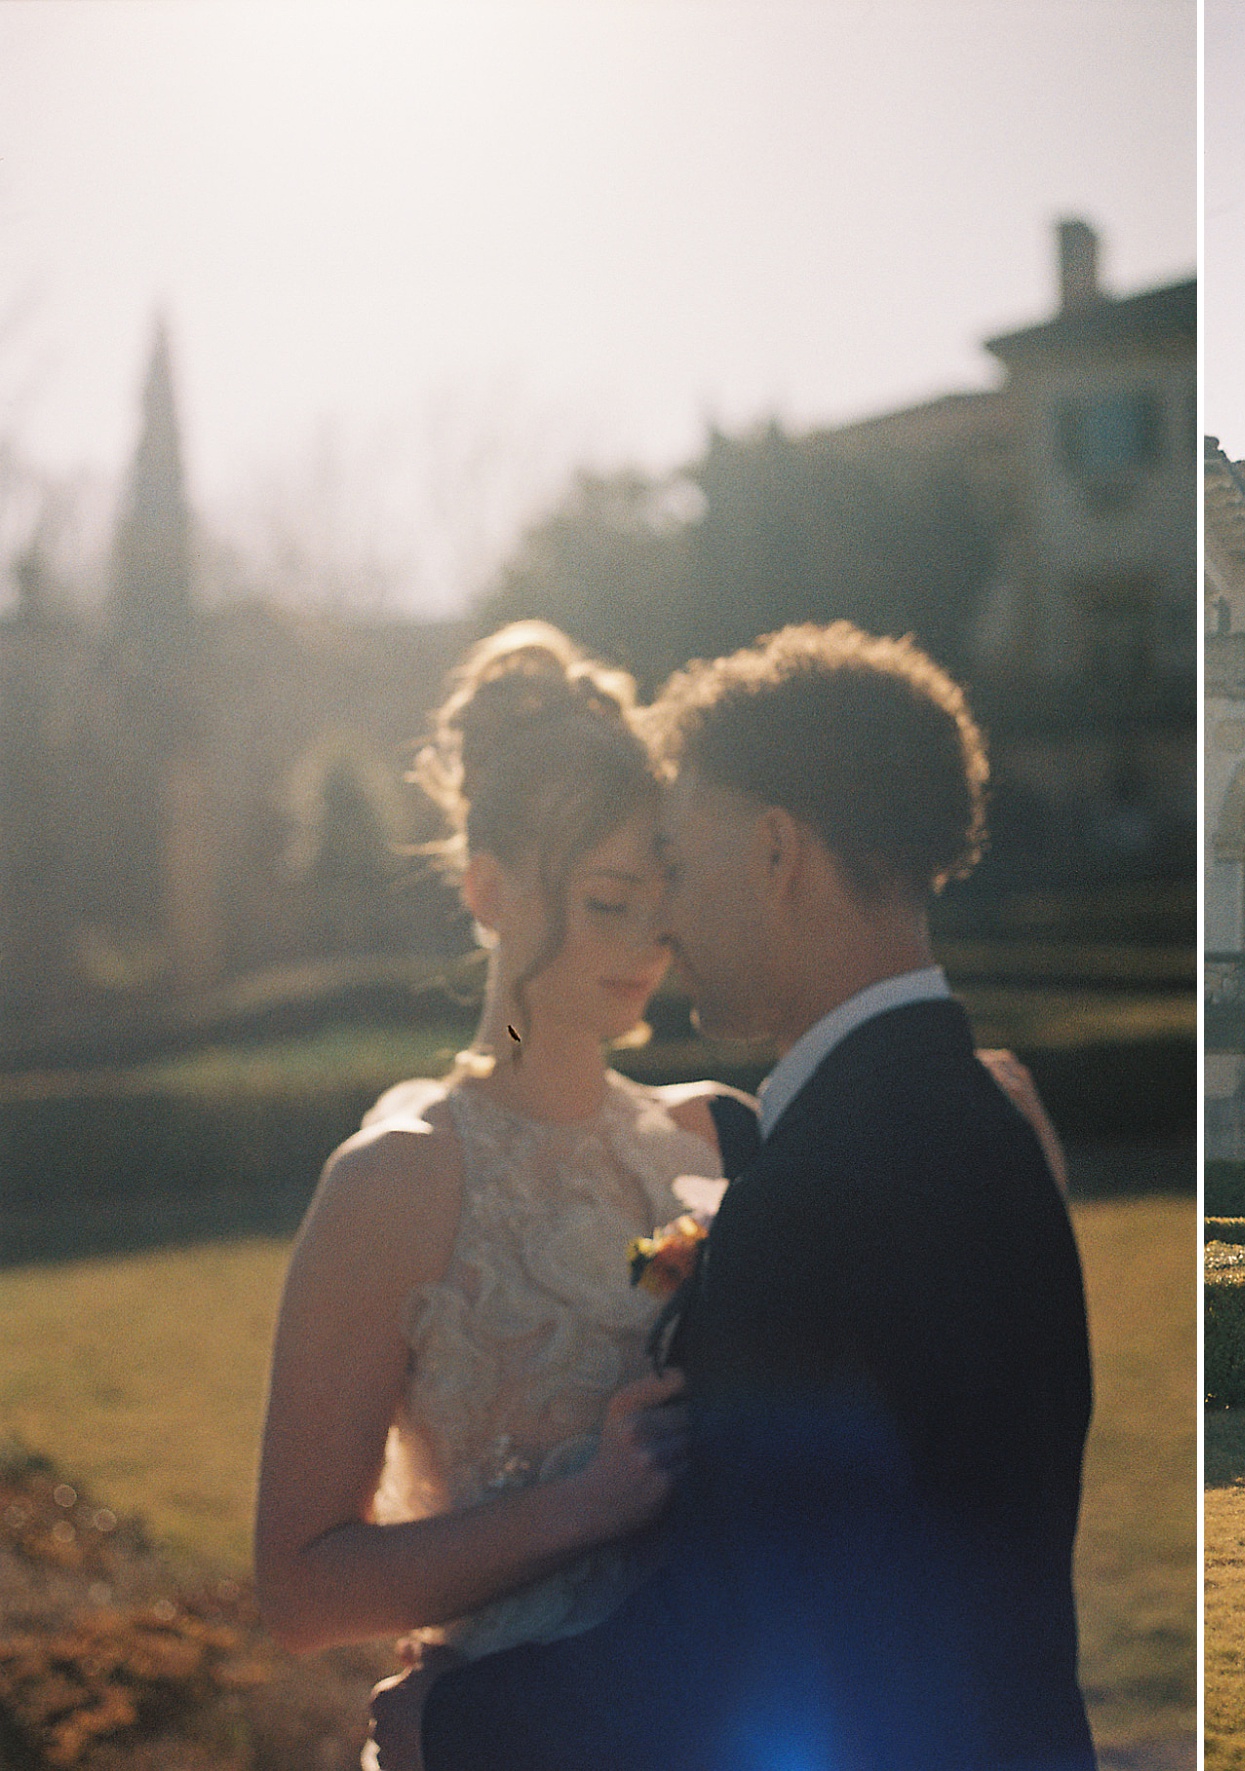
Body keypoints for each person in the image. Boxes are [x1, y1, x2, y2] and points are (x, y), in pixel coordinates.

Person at [255, 624, 1070, 1753]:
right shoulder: (394, 1179)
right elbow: (297, 1591)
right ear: (487, 888)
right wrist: (573, 1510)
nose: (654, 933)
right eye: (608, 898)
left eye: (669, 882)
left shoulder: (729, 1136)